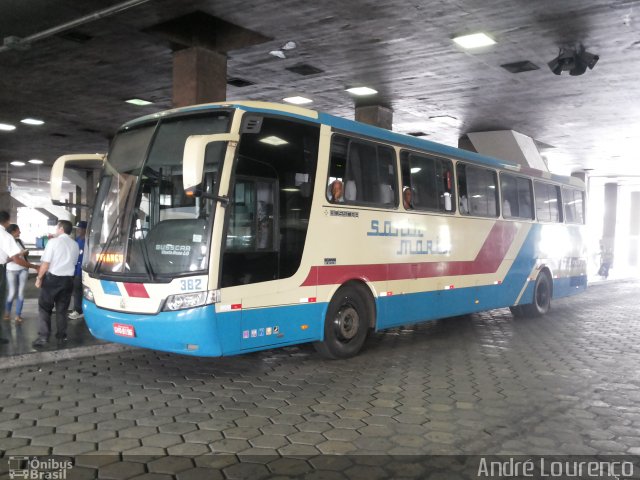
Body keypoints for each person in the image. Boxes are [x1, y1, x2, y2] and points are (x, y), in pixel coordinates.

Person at [33, 220, 79, 347]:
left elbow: (46, 263)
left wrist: (39, 278)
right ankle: (61, 336)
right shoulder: (75, 244)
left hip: (53, 280)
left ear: (61, 229)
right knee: (62, 310)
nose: (55, 230)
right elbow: (74, 263)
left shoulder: (53, 242)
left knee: (44, 308)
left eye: (56, 227)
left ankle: (43, 337)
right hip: (68, 280)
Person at [0, 211, 39, 344]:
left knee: (15, 293)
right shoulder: (5, 236)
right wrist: (34, 266)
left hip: (15, 268)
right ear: (7, 221)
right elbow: (16, 259)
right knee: (6, 296)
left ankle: (16, 315)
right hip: (6, 268)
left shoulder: (14, 239)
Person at [4, 224, 29, 323]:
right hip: (11, 270)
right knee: (12, 292)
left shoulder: (20, 241)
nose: (20, 232)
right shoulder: (5, 243)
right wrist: (19, 254)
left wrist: (25, 252)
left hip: (23, 269)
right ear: (13, 231)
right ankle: (7, 313)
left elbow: (25, 254)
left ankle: (18, 315)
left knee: (21, 293)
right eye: (18, 230)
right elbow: (5, 259)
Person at [68, 221, 86, 320]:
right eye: (78, 228)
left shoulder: (88, 241)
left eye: (80, 228)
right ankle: (78, 309)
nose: (78, 230)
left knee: (81, 291)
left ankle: (79, 310)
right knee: (77, 290)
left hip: (84, 270)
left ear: (85, 229)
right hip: (76, 270)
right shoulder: (77, 240)